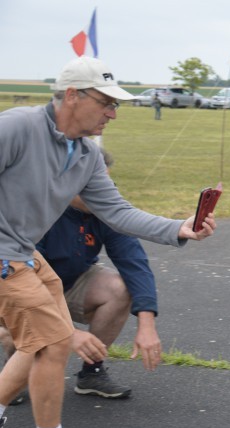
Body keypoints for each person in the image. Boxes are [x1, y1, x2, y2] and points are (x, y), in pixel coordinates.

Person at [0, 56, 216, 428]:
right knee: (52, 344)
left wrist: (180, 229)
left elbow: (116, 212)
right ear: (71, 96)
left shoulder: (85, 155)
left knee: (37, 346)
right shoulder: (16, 127)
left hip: (25, 252)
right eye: (106, 103)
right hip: (5, 256)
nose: (113, 113)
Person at [0, 149, 162, 400]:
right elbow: (27, 282)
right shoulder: (36, 208)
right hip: (16, 288)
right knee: (22, 333)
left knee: (119, 287)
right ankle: (16, 372)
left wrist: (147, 322)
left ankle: (91, 373)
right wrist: (69, 333)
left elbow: (134, 263)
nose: (101, 190)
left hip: (67, 282)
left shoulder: (105, 209)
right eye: (91, 184)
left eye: (105, 183)